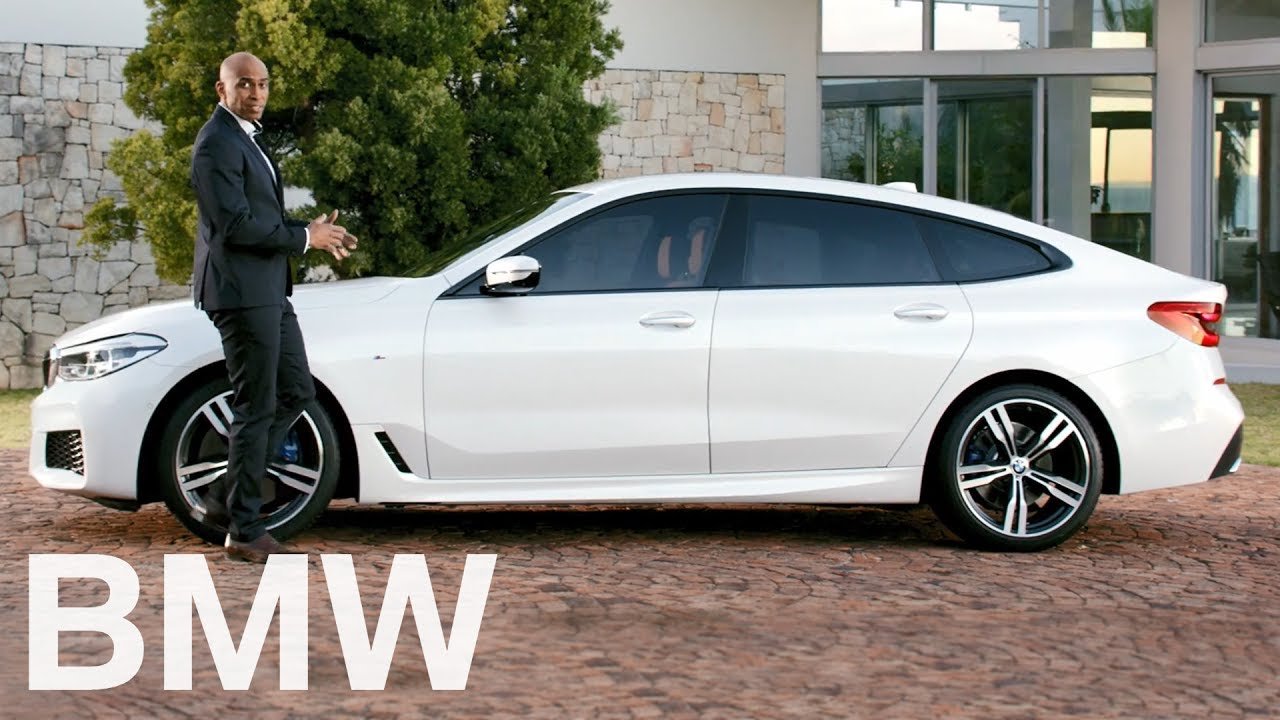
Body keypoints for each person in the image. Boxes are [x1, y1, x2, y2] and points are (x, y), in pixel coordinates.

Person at [189, 51, 356, 563]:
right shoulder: (215, 144)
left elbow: (260, 215)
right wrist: (305, 238)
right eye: (244, 84)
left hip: (267, 290)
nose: (256, 93)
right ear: (222, 90)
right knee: (255, 406)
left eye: (262, 84)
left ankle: (225, 497)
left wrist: (314, 233)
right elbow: (235, 226)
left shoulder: (245, 139)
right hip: (241, 294)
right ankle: (244, 529)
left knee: (296, 390)